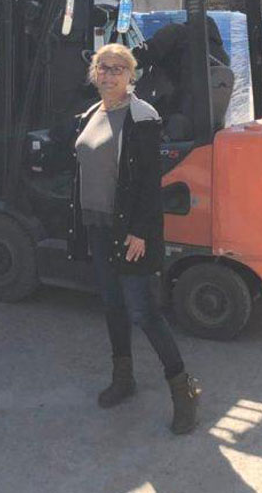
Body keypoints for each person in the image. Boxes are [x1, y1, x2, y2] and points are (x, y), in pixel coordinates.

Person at [72, 43, 200, 435]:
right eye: (103, 68)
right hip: (98, 226)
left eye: (118, 69)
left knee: (143, 312)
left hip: (129, 231)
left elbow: (148, 182)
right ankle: (123, 378)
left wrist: (140, 231)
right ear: (95, 73)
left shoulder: (142, 117)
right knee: (112, 306)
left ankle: (184, 389)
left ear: (131, 75)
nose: (110, 75)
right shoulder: (91, 114)